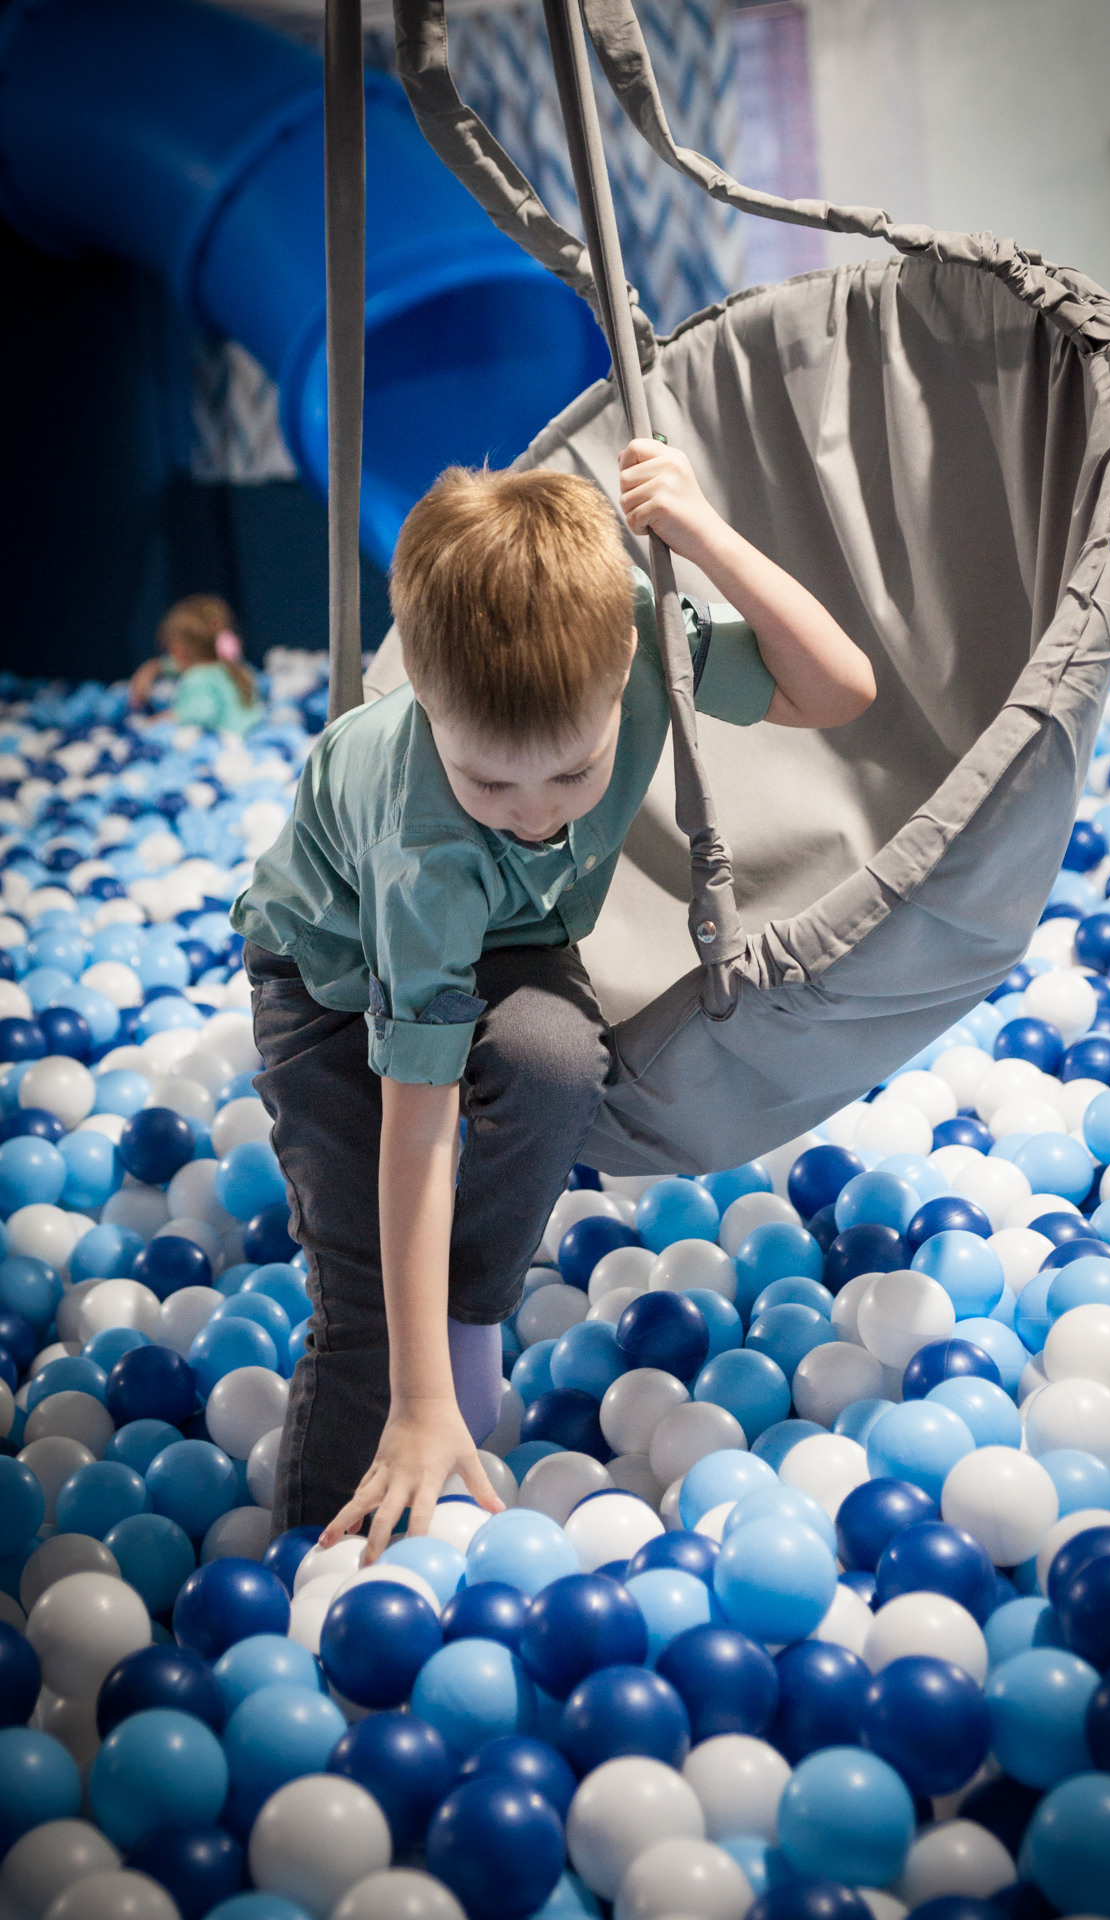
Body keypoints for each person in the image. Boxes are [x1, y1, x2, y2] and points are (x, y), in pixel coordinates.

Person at [231, 438, 876, 1559]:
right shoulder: (427, 842)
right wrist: (420, 1397)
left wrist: (703, 535)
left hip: (512, 939)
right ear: (421, 698)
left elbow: (840, 689)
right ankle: (315, 1584)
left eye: (571, 774)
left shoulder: (627, 640)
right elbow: (417, 1123)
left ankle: (472, 1311)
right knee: (373, 1309)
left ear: (628, 657)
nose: (534, 815)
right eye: (490, 781)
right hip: (327, 972)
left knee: (554, 1060)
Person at [129, 594, 262, 735]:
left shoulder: (197, 679)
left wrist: (153, 722)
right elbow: (176, 665)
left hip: (227, 745)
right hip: (253, 734)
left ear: (178, 650)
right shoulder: (237, 668)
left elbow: (200, 712)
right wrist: (153, 668)